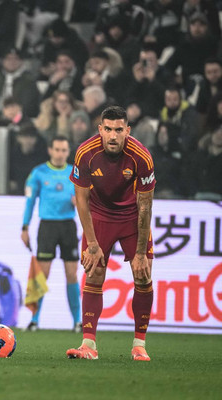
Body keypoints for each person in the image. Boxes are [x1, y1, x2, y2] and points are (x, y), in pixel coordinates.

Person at [67, 106, 155, 361]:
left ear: (128, 130)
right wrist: (92, 244)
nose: (113, 135)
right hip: (99, 215)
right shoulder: (86, 152)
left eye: (118, 130)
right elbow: (81, 199)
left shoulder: (142, 156)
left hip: (131, 217)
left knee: (143, 275)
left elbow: (145, 205)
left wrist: (141, 253)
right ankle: (88, 345)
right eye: (108, 129)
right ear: (100, 129)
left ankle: (139, 345)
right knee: (94, 274)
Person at [21, 136, 81, 333]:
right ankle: (34, 320)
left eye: (63, 150)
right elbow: (30, 201)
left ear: (68, 152)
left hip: (68, 226)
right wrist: (24, 227)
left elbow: (86, 199)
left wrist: (80, 202)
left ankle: (77, 321)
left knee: (72, 274)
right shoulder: (39, 173)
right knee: (42, 274)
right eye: (57, 149)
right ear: (50, 150)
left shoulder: (75, 173)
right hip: (47, 227)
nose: (60, 154)